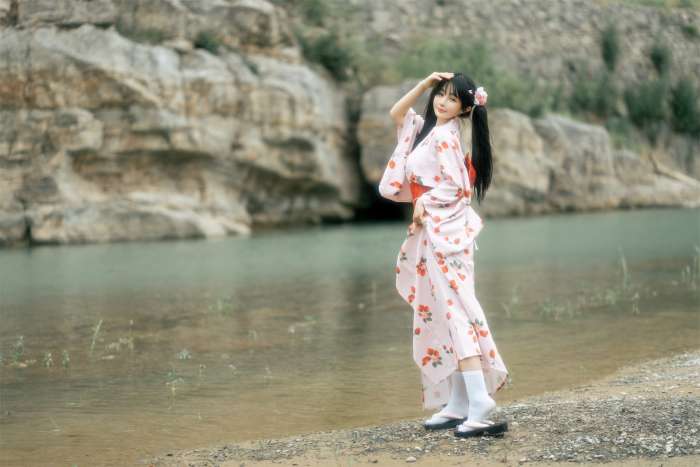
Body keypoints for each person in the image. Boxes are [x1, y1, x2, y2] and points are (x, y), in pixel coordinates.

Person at [378, 72, 510, 437]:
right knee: (439, 311)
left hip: (445, 233)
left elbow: (458, 187)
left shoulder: (446, 138)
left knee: (455, 311)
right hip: (433, 231)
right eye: (441, 94)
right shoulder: (430, 132)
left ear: (465, 109)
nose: (442, 102)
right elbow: (397, 114)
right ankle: (458, 402)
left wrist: (424, 202)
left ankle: (479, 401)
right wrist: (423, 84)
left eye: (452, 99)